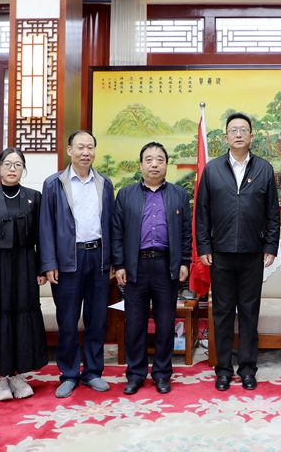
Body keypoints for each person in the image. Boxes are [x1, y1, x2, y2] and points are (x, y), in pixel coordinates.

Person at [195, 112, 280, 392]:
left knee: (249, 313)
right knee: (221, 314)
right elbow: (202, 212)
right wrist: (204, 246)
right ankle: (223, 370)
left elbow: (272, 212)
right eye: (234, 130)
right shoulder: (213, 170)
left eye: (244, 130)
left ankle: (247, 369)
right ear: (226, 137)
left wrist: (270, 245)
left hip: (252, 253)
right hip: (219, 254)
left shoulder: (264, 169)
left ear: (252, 136)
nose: (239, 134)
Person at [112, 142, 192, 395]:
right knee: (134, 324)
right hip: (135, 266)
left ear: (167, 165)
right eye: (149, 160)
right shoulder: (126, 194)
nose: (154, 164)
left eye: (159, 159)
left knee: (165, 323)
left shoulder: (179, 194)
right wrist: (119, 264)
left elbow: (186, 233)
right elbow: (117, 232)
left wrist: (185, 262)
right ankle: (135, 374)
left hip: (166, 266)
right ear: (141, 165)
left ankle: (162, 373)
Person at [39, 130, 114, 399]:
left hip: (99, 258)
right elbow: (45, 227)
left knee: (97, 319)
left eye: (90, 147)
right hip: (68, 260)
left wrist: (113, 259)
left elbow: (112, 224)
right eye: (80, 147)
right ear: (69, 150)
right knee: (68, 321)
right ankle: (69, 374)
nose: (86, 152)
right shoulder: (54, 184)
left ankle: (93, 371)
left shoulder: (104, 183)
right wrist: (48, 263)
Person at [0, 148, 48, 401]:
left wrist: (41, 268)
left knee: (21, 316)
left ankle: (17, 374)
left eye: (18, 164)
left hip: (24, 264)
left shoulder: (34, 197)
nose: (12, 169)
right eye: (7, 164)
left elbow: (41, 237)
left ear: (23, 169)